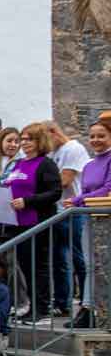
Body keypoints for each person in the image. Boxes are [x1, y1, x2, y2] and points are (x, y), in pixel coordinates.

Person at [3, 123, 62, 320]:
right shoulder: (18, 164)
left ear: (39, 141)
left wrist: (28, 201)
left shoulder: (46, 164)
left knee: (38, 266)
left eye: (29, 139)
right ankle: (30, 305)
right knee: (25, 266)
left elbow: (55, 192)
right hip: (16, 223)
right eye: (23, 138)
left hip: (36, 222)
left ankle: (41, 307)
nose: (24, 142)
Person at [65, 112, 111, 328]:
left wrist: (78, 199)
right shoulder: (90, 165)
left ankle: (92, 307)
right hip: (88, 217)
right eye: (92, 136)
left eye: (101, 136)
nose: (95, 140)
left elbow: (107, 188)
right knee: (89, 264)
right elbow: (86, 189)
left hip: (104, 217)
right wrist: (78, 202)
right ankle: (87, 307)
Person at [46, 121, 92, 318]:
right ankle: (62, 302)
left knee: (79, 256)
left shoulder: (73, 148)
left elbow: (64, 180)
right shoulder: (53, 153)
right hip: (58, 211)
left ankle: (86, 301)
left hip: (75, 210)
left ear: (54, 133)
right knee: (60, 258)